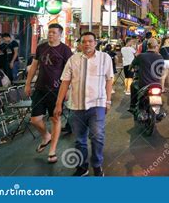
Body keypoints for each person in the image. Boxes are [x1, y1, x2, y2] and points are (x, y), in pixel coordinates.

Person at [54, 32, 113, 176]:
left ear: (95, 42)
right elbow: (65, 82)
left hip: (97, 103)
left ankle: (97, 165)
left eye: (90, 41)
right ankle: (82, 167)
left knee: (97, 136)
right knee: (79, 140)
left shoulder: (105, 58)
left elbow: (109, 79)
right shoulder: (73, 60)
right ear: (80, 44)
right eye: (84, 41)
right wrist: (58, 103)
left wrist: (108, 100)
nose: (87, 44)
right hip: (76, 105)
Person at [24, 23, 72, 164]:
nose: (50, 34)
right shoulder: (41, 48)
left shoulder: (65, 50)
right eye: (49, 32)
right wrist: (28, 83)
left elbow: (70, 72)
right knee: (35, 120)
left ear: (60, 34)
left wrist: (68, 89)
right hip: (40, 88)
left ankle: (52, 151)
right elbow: (34, 66)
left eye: (54, 32)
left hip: (57, 90)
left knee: (55, 119)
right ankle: (46, 135)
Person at [130, 38, 164, 112]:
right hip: (157, 84)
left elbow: (132, 65)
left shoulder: (141, 56)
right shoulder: (160, 57)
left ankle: (132, 106)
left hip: (144, 84)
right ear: (156, 47)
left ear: (147, 46)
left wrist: (131, 68)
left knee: (133, 84)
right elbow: (161, 70)